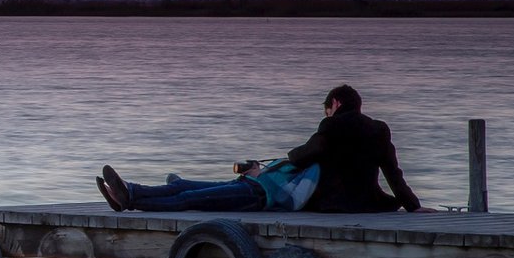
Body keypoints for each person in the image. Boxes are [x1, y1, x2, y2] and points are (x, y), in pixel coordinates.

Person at [96, 84, 430, 214]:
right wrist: (413, 208)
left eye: (326, 108)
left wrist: (281, 161)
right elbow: (394, 176)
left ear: (336, 103)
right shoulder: (379, 129)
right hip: (362, 203)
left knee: (193, 199)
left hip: (308, 201)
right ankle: (131, 192)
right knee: (188, 188)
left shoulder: (333, 127)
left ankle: (132, 198)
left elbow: (308, 153)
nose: (325, 115)